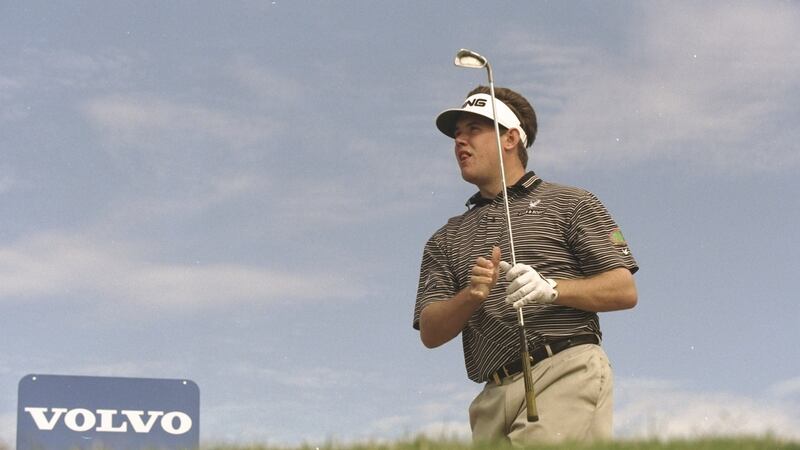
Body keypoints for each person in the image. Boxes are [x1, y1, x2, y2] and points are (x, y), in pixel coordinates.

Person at [412, 85, 639, 445]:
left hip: (565, 369)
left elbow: (623, 289)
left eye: (473, 130)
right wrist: (470, 296)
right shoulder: (445, 238)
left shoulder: (571, 202)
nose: (460, 142)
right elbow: (430, 331)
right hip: (491, 396)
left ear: (511, 138)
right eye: (457, 134)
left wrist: (551, 289)